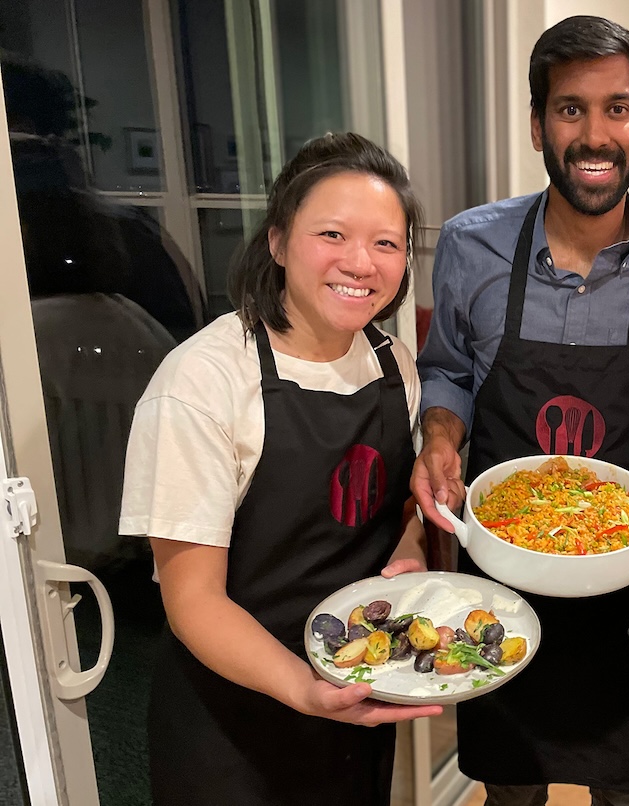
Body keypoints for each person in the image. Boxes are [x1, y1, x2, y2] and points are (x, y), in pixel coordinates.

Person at [410, 15, 629, 805]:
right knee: (510, 784)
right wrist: (439, 437)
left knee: (624, 784)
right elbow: (446, 372)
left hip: (626, 567)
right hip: (502, 561)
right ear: (539, 123)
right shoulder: (471, 246)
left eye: (616, 108)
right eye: (570, 108)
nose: (594, 133)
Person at [119, 132, 441, 806]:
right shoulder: (202, 383)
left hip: (353, 693)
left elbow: (395, 508)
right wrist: (302, 686)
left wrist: (411, 547)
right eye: (332, 233)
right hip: (234, 721)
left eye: (386, 243)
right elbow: (192, 601)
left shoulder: (392, 364)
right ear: (277, 240)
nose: (361, 263)